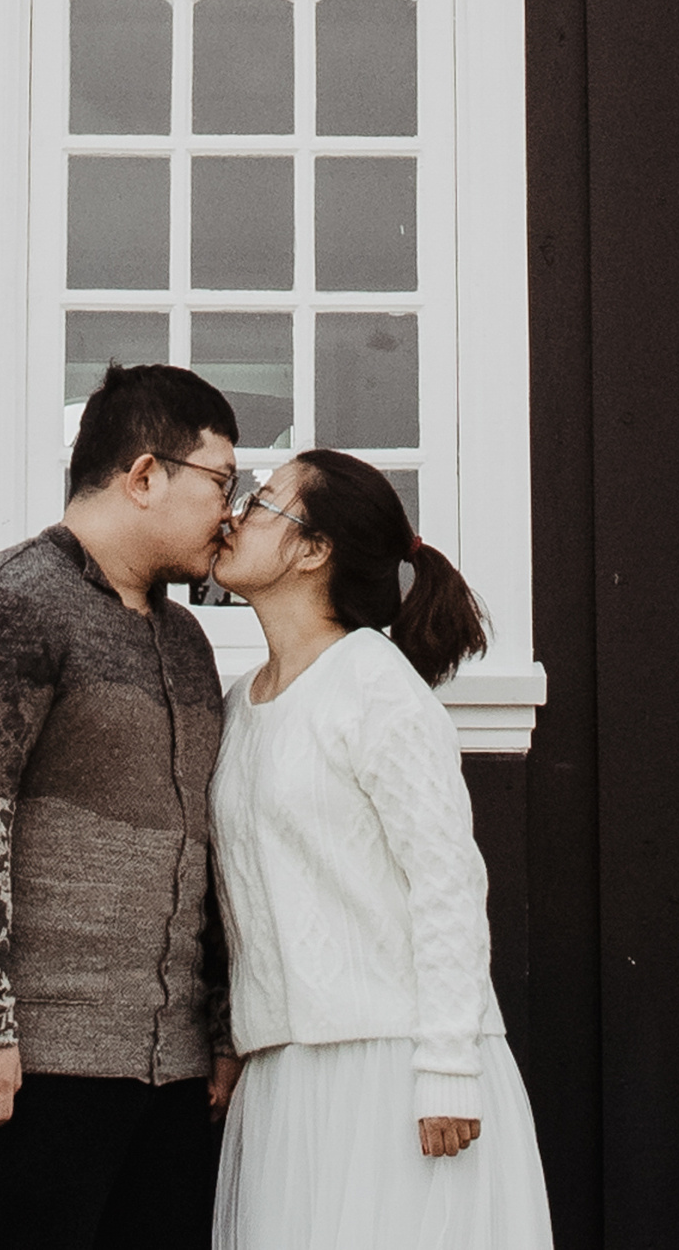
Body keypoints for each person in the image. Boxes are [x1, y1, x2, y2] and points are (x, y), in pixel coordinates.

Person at [0, 362, 250, 1249]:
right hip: (23, 1064)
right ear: (144, 475)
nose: (232, 509)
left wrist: (211, 1029)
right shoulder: (13, 602)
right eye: (220, 479)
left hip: (165, 1078)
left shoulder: (183, 639)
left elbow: (199, 846)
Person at [205, 448, 553, 1249]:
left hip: (396, 1076)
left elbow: (447, 881)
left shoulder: (376, 685)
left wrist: (447, 1069)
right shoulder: (239, 705)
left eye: (262, 501)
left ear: (313, 548)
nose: (234, 513)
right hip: (287, 1080)